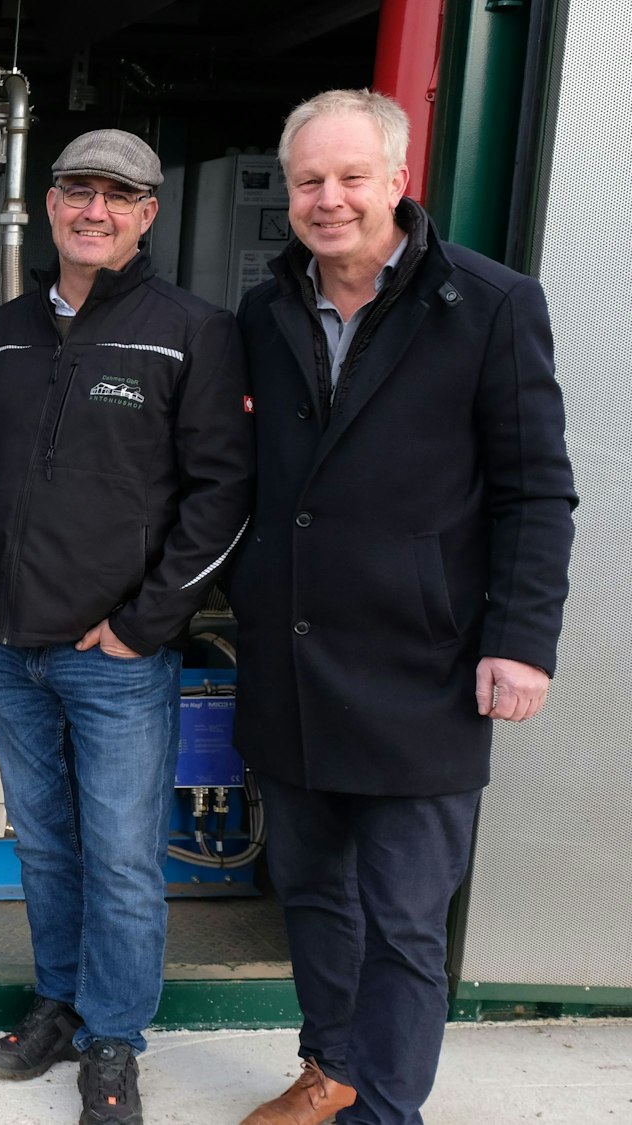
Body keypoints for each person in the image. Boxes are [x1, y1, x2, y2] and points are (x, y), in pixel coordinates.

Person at [228, 89, 575, 1125]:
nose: (326, 200)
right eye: (306, 181)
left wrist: (518, 644)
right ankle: (326, 1071)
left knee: (403, 924)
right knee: (311, 896)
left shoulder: (487, 302)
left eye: (347, 177)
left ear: (396, 179)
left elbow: (532, 487)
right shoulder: (265, 308)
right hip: (290, 660)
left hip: (422, 667)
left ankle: (384, 1110)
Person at [0, 128, 253, 1124]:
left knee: (118, 855)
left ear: (144, 215)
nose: (93, 210)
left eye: (117, 197)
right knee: (42, 847)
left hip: (112, 657)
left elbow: (222, 492)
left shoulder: (187, 332)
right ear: (50, 202)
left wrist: (146, 622)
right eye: (77, 190)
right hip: (11, 650)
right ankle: (59, 1006)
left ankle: (113, 1042)